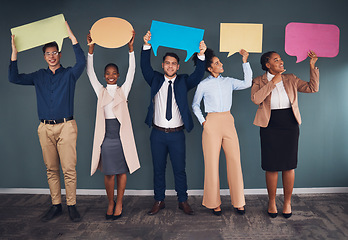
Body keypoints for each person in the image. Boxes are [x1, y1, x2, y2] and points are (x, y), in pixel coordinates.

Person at [8, 21, 86, 222]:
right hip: (44, 128)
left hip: (66, 126)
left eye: (55, 53)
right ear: (44, 57)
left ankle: (72, 206)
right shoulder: (38, 76)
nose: (51, 56)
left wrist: (71, 35)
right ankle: (56, 205)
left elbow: (81, 62)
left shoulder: (70, 74)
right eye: (48, 54)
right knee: (51, 169)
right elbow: (13, 77)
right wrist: (14, 52)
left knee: (68, 169)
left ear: (60, 54)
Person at [141, 31, 206, 215]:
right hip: (158, 134)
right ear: (163, 65)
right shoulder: (154, 79)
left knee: (180, 169)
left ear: (178, 66)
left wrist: (201, 54)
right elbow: (144, 66)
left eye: (173, 64)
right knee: (158, 169)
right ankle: (159, 200)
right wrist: (146, 45)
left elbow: (198, 73)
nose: (170, 66)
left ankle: (182, 201)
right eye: (167, 63)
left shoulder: (184, 81)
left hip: (177, 134)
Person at [251, 50, 319, 218]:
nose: (281, 62)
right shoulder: (259, 81)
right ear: (268, 65)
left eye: (281, 59)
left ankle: (288, 202)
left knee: (289, 165)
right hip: (269, 125)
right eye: (276, 60)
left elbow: (313, 88)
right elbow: (256, 99)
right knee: (271, 166)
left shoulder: (291, 78)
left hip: (289, 124)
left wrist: (312, 66)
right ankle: (272, 202)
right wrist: (273, 82)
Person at [86, 31, 140, 220]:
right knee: (109, 173)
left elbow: (132, 71)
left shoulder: (123, 91)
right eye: (107, 73)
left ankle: (119, 202)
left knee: (121, 171)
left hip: (121, 136)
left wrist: (131, 49)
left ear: (118, 75)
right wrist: (91, 50)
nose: (110, 76)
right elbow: (89, 72)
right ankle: (110, 201)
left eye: (114, 73)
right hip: (106, 137)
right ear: (104, 75)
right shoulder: (100, 91)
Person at [192, 48, 252, 216]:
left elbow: (247, 83)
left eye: (220, 62)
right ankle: (214, 203)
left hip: (228, 121)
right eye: (217, 63)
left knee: (234, 160)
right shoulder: (203, 84)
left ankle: (239, 201)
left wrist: (245, 61)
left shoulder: (229, 81)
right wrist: (203, 121)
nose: (221, 64)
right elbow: (195, 105)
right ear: (210, 68)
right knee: (211, 163)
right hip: (211, 122)